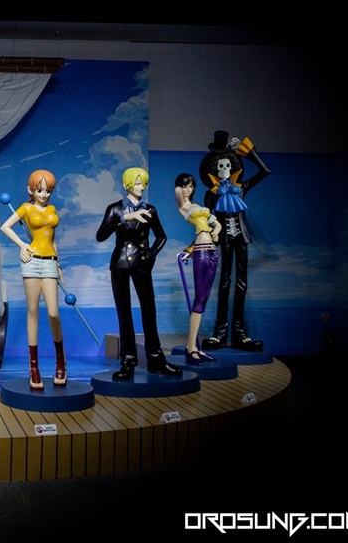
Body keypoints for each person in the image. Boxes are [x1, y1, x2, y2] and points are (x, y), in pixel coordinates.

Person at [96, 167, 181, 381]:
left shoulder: (150, 210)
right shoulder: (115, 209)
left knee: (149, 310)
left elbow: (161, 236)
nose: (141, 186)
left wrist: (151, 254)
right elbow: (100, 235)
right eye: (137, 183)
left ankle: (156, 359)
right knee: (124, 312)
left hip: (142, 264)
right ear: (127, 185)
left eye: (143, 183)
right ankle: (128, 361)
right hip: (120, 264)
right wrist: (124, 217)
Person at [198, 131, 271, 352]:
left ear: (234, 166)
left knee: (241, 284)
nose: (224, 169)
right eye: (220, 166)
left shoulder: (241, 188)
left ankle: (240, 334)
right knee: (224, 284)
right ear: (213, 168)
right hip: (224, 240)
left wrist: (250, 153)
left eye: (228, 165)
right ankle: (220, 334)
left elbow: (265, 171)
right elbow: (205, 220)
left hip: (241, 238)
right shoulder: (212, 194)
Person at [0, 169, 66, 390]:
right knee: (33, 310)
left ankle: (60, 360)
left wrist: (58, 264)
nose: (44, 194)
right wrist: (22, 245)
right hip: (31, 261)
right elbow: (5, 226)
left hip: (50, 262)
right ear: (31, 189)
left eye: (48, 191)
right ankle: (33, 366)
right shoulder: (26, 208)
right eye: (40, 190)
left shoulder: (52, 210)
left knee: (53, 312)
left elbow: (52, 239)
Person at [174, 173, 222, 366]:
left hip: (212, 251)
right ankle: (190, 348)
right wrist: (181, 185)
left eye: (191, 186)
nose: (188, 189)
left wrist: (216, 233)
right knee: (199, 299)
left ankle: (195, 348)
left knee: (203, 299)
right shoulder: (183, 206)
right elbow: (178, 193)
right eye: (185, 186)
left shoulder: (198, 206)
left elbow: (217, 225)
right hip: (201, 251)